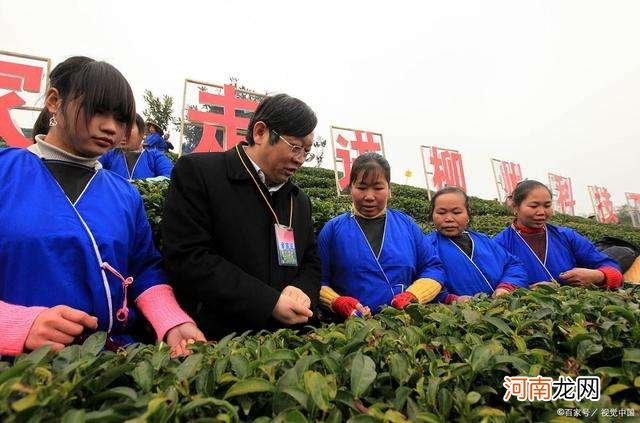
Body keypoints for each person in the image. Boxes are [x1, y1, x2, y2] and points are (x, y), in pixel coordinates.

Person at [0, 56, 204, 357]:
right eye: (97, 111)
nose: (111, 128)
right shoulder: (6, 172)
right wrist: (17, 324)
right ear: (55, 101)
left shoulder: (124, 194)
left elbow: (144, 269)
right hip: (17, 370)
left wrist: (172, 322)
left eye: (120, 119)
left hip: (109, 365)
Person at [162, 94, 321, 339]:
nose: (300, 160)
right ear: (260, 133)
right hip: (218, 341)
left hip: (284, 343)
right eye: (295, 147)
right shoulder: (199, 173)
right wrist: (268, 302)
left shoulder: (299, 201)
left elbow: (310, 262)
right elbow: (189, 257)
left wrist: (301, 289)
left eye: (306, 151)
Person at [317, 153, 445, 319]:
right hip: (351, 330)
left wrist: (413, 296)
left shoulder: (407, 226)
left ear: (389, 189)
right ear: (351, 187)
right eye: (361, 188)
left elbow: (433, 268)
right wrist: (336, 301)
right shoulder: (333, 229)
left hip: (404, 325)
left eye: (378, 188)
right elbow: (318, 280)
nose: (369, 196)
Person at [494, 180, 623, 289]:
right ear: (516, 207)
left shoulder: (567, 236)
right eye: (534, 206)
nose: (542, 212)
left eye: (547, 205)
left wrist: (598, 276)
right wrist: (527, 291)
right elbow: (492, 286)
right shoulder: (499, 244)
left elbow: (612, 268)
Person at [426, 187, 529, 303]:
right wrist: (451, 299)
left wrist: (505, 287)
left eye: (456, 212)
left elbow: (513, 265)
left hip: (503, 310)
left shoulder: (484, 240)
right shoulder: (428, 247)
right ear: (432, 215)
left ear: (468, 214)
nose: (449, 218)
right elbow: (422, 282)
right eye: (441, 212)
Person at [99, 114, 173, 180]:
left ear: (142, 132)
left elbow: (168, 176)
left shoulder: (155, 156)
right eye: (119, 127)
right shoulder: (109, 154)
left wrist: (139, 184)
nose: (122, 133)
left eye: (128, 127)